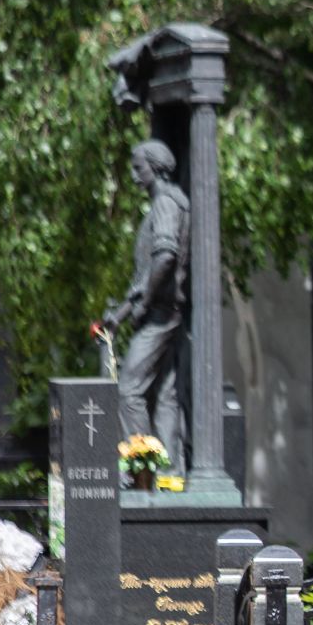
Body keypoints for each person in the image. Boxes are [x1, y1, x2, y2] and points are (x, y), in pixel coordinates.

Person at [103, 140, 189, 468]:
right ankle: (169, 472)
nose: (136, 177)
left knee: (129, 391)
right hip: (161, 311)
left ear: (156, 168)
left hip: (160, 315)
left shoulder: (166, 204)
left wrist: (144, 304)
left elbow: (165, 257)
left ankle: (143, 468)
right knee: (165, 396)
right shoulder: (169, 203)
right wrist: (120, 315)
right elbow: (145, 275)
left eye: (140, 169)